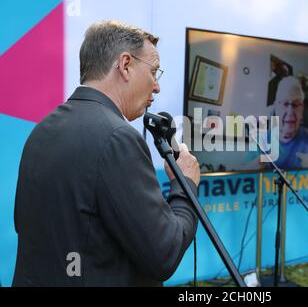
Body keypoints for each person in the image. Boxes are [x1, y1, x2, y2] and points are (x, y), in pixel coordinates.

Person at [13, 20, 200, 286]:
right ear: (125, 65)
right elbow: (164, 253)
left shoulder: (43, 129)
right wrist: (186, 185)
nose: (156, 87)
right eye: (154, 72)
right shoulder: (118, 138)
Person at [246, 76, 308, 170]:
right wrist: (250, 171)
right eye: (285, 103)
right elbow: (238, 179)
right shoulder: (259, 142)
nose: (290, 111)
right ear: (276, 108)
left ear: (302, 109)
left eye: (296, 104)